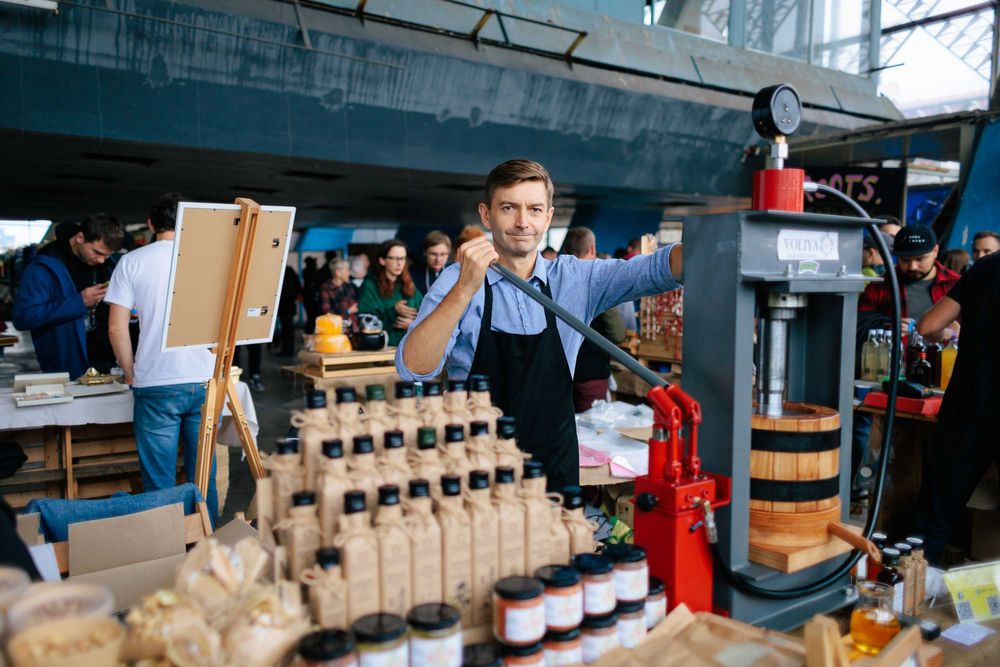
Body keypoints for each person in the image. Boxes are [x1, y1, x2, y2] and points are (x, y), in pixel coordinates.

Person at [396, 159, 682, 490]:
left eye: (534, 209)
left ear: (548, 216)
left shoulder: (576, 279)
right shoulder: (455, 281)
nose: (522, 222)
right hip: (478, 468)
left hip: (554, 464)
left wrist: (717, 239)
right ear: (486, 214)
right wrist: (463, 290)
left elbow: (656, 269)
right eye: (508, 208)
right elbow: (414, 368)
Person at [106, 193, 219, 521]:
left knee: (159, 482)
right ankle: (208, 543)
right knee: (203, 477)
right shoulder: (208, 260)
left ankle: (165, 546)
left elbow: (116, 328)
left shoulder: (132, 261)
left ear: (150, 224)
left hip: (155, 381)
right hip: (204, 379)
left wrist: (131, 371)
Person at [915, 252, 1000, 564]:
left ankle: (915, 588)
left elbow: (928, 326)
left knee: (933, 524)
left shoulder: (990, 266)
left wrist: (952, 333)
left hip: (967, 409)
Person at [13, 214, 125, 377]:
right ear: (80, 238)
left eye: (107, 255)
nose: (101, 260)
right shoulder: (42, 268)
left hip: (110, 364)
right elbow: (24, 317)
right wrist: (80, 302)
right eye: (97, 252)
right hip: (66, 366)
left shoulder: (109, 265)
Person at [561, 227, 627, 412]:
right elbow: (617, 333)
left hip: (558, 373)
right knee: (591, 426)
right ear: (592, 248)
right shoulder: (598, 280)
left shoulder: (552, 278)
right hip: (591, 372)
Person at [859, 224, 960, 329]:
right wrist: (889, 326)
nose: (913, 266)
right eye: (905, 260)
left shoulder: (956, 284)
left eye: (920, 259)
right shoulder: (880, 286)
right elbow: (860, 323)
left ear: (935, 251)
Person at [358, 240, 423, 346]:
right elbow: (365, 322)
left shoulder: (409, 284)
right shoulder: (370, 286)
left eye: (403, 258)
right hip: (383, 348)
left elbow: (426, 314)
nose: (400, 263)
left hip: (411, 347)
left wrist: (414, 325)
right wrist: (393, 311)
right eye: (395, 258)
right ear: (382, 260)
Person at [275, 264, 301, 356]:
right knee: (289, 328)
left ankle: (286, 348)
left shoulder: (280, 271)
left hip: (283, 304)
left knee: (286, 328)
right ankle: (289, 348)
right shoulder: (290, 271)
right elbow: (298, 286)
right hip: (290, 304)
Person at [415, 231, 452, 295]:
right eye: (433, 254)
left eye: (442, 254)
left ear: (448, 254)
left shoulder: (455, 272)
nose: (438, 259)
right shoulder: (413, 274)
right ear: (425, 252)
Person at [301, 256, 320, 334]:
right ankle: (310, 332)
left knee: (310, 316)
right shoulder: (313, 271)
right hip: (312, 297)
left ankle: (308, 332)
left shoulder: (305, 271)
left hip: (307, 297)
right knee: (313, 317)